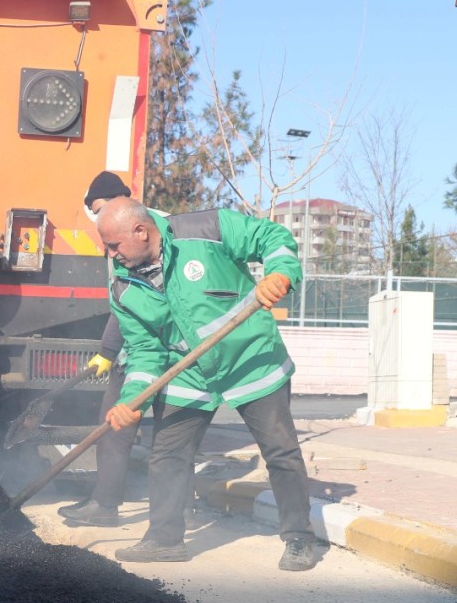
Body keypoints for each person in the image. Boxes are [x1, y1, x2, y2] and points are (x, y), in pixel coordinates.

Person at [96, 197, 318, 572]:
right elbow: (145, 351)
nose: (111, 254)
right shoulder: (122, 287)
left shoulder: (206, 229)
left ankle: (298, 538)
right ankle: (165, 540)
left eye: (114, 244)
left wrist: (279, 273)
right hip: (189, 373)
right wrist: (132, 400)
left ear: (140, 230)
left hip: (250, 359)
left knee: (280, 452)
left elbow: (272, 236)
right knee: (167, 455)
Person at [58, 171, 134, 528]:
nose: (100, 219)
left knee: (171, 437)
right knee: (114, 427)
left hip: (161, 354)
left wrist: (112, 348)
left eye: (101, 208)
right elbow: (122, 303)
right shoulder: (115, 240)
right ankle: (104, 505)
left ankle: (175, 513)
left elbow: (138, 302)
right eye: (95, 213)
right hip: (134, 353)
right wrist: (108, 351)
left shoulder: (144, 234)